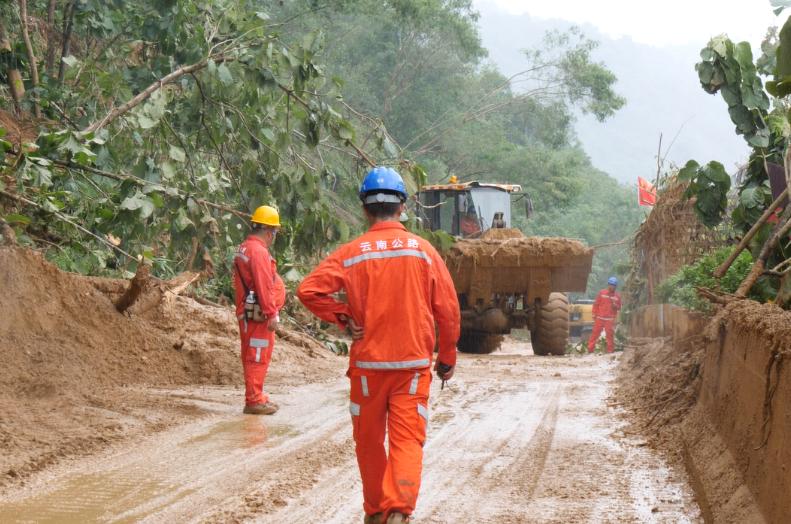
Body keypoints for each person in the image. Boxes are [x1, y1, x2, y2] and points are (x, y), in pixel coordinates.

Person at [297, 167, 460, 524]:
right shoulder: (424, 251)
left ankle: (375, 512)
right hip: (411, 368)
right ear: (402, 207)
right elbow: (448, 311)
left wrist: (342, 316)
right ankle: (398, 508)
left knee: (369, 442)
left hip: (368, 369)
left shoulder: (352, 253)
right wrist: (447, 358)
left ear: (365, 209)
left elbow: (308, 290)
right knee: (407, 440)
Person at [233, 205, 285, 415]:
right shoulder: (258, 252)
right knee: (257, 353)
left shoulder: (246, 247)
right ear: (269, 232)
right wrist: (272, 313)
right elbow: (263, 284)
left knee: (253, 352)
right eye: (275, 232)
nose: (274, 237)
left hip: (250, 311)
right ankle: (254, 400)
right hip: (258, 314)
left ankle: (257, 396)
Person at [588, 276, 622, 354]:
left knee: (610, 336)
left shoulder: (617, 296)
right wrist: (594, 314)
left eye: (614, 285)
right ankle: (590, 350)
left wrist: (615, 306)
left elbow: (619, 307)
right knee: (595, 334)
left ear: (616, 286)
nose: (612, 287)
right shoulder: (602, 293)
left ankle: (610, 351)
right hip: (600, 317)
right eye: (611, 285)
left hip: (610, 319)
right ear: (608, 284)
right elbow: (596, 304)